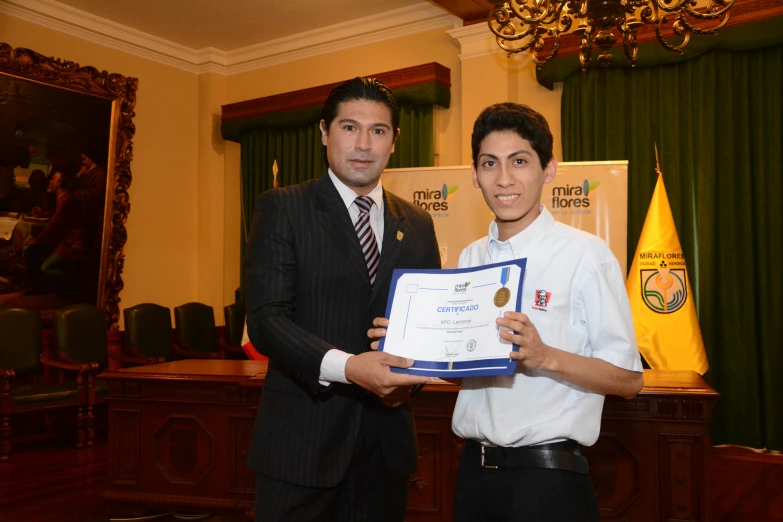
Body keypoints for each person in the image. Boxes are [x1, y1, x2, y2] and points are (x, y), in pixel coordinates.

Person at [369, 102, 643, 522]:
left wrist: (544, 355)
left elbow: (628, 380)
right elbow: (465, 365)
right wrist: (408, 343)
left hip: (548, 484)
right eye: (490, 163)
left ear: (548, 169)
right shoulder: (470, 256)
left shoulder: (586, 255)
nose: (504, 179)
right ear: (475, 176)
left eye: (520, 161)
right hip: (473, 475)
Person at [244, 77, 441, 522]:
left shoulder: (419, 223)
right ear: (324, 132)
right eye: (350, 127)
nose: (363, 144)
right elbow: (266, 320)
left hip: (385, 447)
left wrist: (409, 386)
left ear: (394, 141)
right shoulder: (283, 208)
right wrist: (350, 367)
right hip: (301, 444)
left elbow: (426, 328)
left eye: (378, 131)